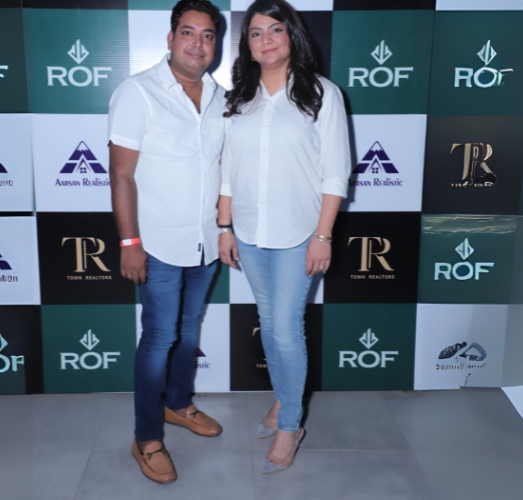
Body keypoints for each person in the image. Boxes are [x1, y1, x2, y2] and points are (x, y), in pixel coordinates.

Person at [217, 0, 350, 474]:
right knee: (270, 322)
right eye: (256, 33)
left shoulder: (322, 94)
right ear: (248, 45)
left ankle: (290, 425)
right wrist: (225, 227)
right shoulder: (239, 99)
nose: (266, 40)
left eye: (275, 29)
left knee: (286, 330)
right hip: (249, 231)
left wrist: (323, 236)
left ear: (292, 35)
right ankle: (283, 398)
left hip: (299, 233)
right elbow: (228, 170)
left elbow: (335, 173)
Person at [107, 0, 226, 484]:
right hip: (156, 243)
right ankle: (146, 436)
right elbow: (121, 174)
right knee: (158, 338)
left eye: (207, 35)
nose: (198, 44)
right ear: (171, 38)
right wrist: (129, 242)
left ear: (216, 44)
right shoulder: (137, 92)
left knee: (189, 330)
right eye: (188, 32)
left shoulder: (221, 97)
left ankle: (177, 404)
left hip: (205, 242)